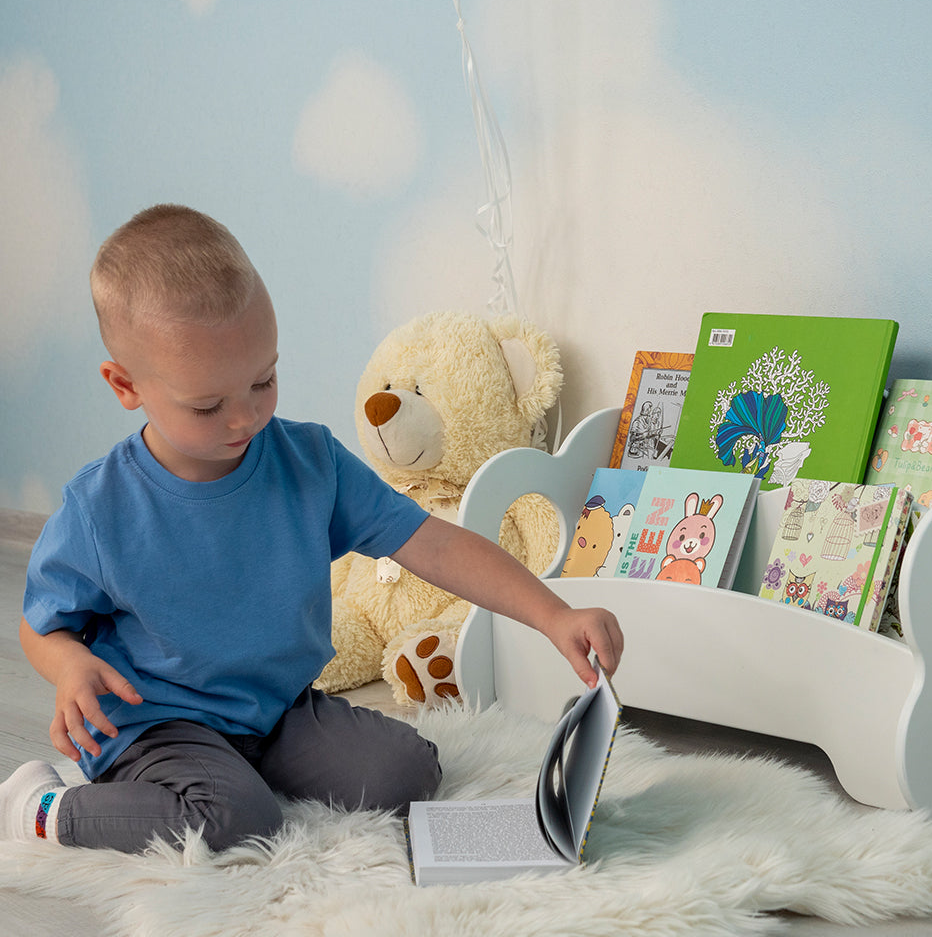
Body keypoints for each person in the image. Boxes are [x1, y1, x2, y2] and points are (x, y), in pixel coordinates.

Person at [1, 204, 624, 854]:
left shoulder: (310, 461)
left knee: (406, 773)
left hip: (276, 711)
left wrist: (555, 615)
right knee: (240, 825)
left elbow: (433, 543)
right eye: (209, 405)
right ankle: (42, 808)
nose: (246, 418)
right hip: (154, 724)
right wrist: (70, 665)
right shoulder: (101, 507)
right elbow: (42, 624)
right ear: (125, 385)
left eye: (263, 380)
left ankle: (241, 772)